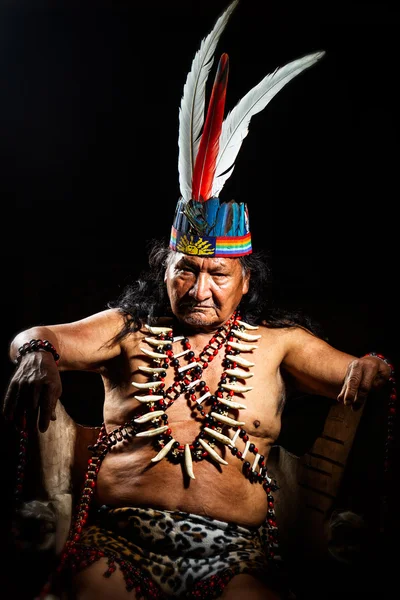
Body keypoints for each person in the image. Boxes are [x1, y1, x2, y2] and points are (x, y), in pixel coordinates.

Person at [1, 1, 395, 599]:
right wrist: (35, 353)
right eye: (185, 271)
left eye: (218, 274)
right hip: (117, 544)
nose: (200, 289)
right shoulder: (126, 330)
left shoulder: (279, 344)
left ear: (245, 281)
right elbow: (37, 335)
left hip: (237, 558)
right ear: (165, 271)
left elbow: (362, 375)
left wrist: (372, 366)